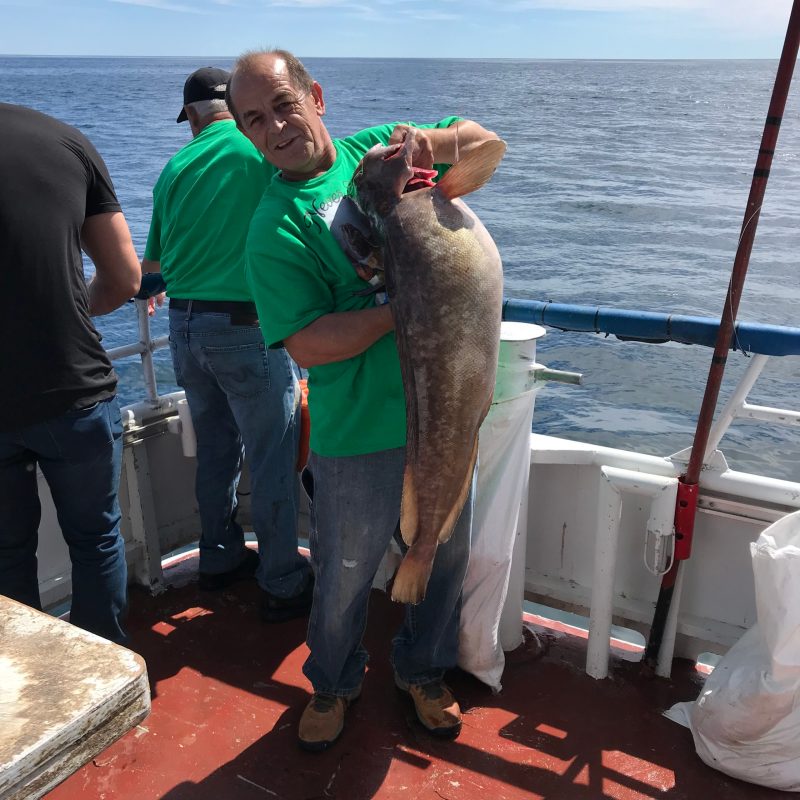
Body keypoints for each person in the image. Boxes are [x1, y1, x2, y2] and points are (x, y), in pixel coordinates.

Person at [227, 49, 501, 750]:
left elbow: (486, 147)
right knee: (344, 575)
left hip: (444, 411)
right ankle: (332, 681)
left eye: (284, 104)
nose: (277, 127)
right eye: (256, 120)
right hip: (358, 432)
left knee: (441, 549)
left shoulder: (380, 157)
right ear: (246, 133)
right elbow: (308, 343)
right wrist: (409, 308)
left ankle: (423, 668)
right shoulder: (272, 227)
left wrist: (431, 145)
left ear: (316, 96)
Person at [141, 67, 313, 622]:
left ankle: (218, 559)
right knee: (271, 457)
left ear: (191, 114)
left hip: (185, 332)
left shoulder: (174, 168)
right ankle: (283, 580)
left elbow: (153, 269)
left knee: (215, 451)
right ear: (234, 108)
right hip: (247, 328)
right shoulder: (258, 148)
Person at [0, 103, 142, 644]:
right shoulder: (65, 139)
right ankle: (102, 674)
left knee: (8, 554)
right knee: (95, 540)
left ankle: (27, 683)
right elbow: (126, 277)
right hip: (72, 386)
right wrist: (63, 310)